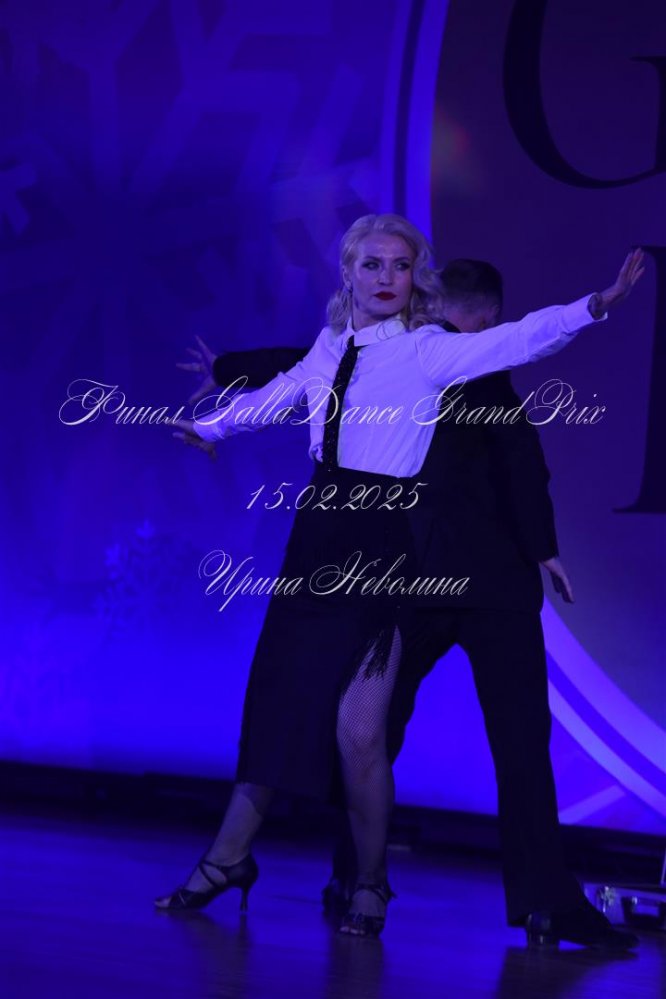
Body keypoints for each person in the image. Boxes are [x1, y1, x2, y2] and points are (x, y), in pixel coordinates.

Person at [155, 214, 643, 939]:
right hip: (323, 537)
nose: (387, 277)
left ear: (421, 281)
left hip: (395, 552)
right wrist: (214, 424)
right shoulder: (335, 344)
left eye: (401, 266)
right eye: (373, 265)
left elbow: (522, 349)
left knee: (365, 731)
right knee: (300, 709)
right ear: (349, 273)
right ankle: (269, 863)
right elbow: (289, 383)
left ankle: (374, 883)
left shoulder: (431, 351)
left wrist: (595, 305)